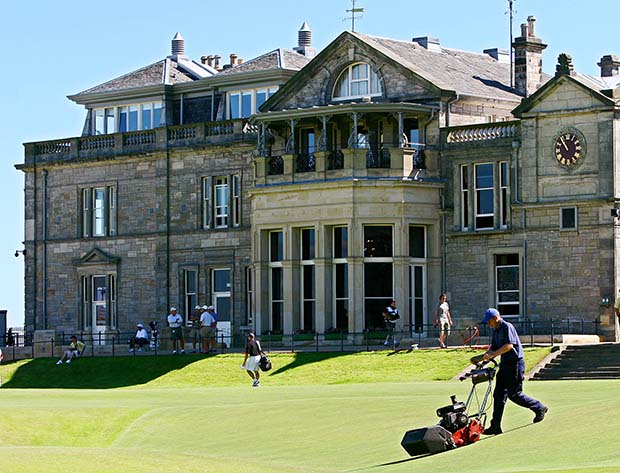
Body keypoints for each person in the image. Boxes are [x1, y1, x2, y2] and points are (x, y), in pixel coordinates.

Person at [470, 308, 548, 435]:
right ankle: (495, 425)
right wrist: (481, 359)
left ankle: (539, 407)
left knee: (515, 394)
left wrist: (493, 354)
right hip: (505, 364)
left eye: (489, 321)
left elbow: (509, 346)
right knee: (498, 395)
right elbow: (493, 349)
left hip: (515, 364)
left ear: (495, 318)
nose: (488, 324)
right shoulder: (495, 331)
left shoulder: (507, 327)